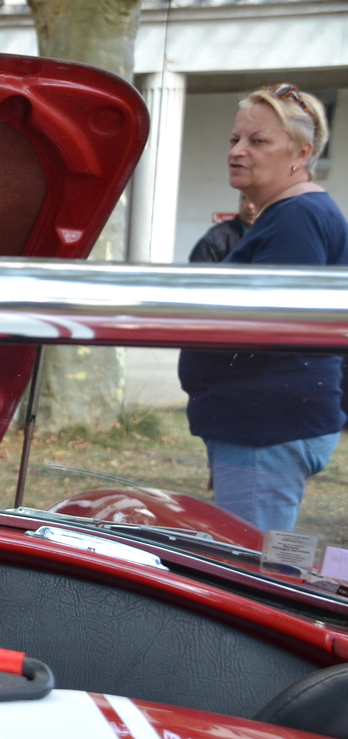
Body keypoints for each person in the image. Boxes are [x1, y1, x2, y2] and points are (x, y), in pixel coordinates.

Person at [178, 85, 348, 532]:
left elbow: (269, 327)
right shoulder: (287, 214)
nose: (237, 151)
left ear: (302, 153)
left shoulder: (297, 217)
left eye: (258, 141)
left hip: (266, 429)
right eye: (234, 139)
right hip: (260, 427)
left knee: (250, 563)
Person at [188, 195, 259, 263]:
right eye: (245, 198)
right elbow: (199, 270)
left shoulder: (266, 238)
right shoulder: (215, 240)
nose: (250, 206)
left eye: (256, 199)